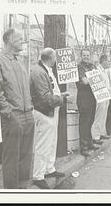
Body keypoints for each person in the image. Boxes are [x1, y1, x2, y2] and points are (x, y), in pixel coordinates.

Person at [0, 28, 35, 189]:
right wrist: (8, 113)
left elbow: (26, 88)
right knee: (11, 157)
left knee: (26, 154)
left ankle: (23, 187)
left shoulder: (20, 61)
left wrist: (30, 108)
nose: (23, 41)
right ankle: (11, 192)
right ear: (10, 39)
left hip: (28, 114)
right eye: (19, 38)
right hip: (13, 116)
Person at [30, 48, 68, 189]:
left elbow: (49, 91)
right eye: (55, 57)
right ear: (51, 58)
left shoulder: (45, 69)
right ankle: (38, 176)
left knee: (52, 142)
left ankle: (49, 168)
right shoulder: (39, 72)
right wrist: (62, 98)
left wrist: (60, 95)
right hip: (44, 111)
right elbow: (45, 97)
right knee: (44, 144)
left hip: (51, 110)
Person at [76, 49, 99, 157]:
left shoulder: (91, 66)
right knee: (84, 122)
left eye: (87, 55)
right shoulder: (79, 67)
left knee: (90, 120)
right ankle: (83, 147)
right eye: (84, 55)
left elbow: (98, 79)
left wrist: (92, 78)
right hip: (83, 97)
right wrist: (94, 78)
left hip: (92, 97)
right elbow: (85, 82)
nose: (86, 57)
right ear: (81, 56)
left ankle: (89, 143)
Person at [91, 54, 111, 142]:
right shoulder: (97, 70)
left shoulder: (105, 71)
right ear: (104, 61)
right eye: (108, 61)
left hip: (106, 96)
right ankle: (95, 136)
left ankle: (101, 133)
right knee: (99, 116)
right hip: (100, 96)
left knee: (104, 115)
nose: (109, 63)